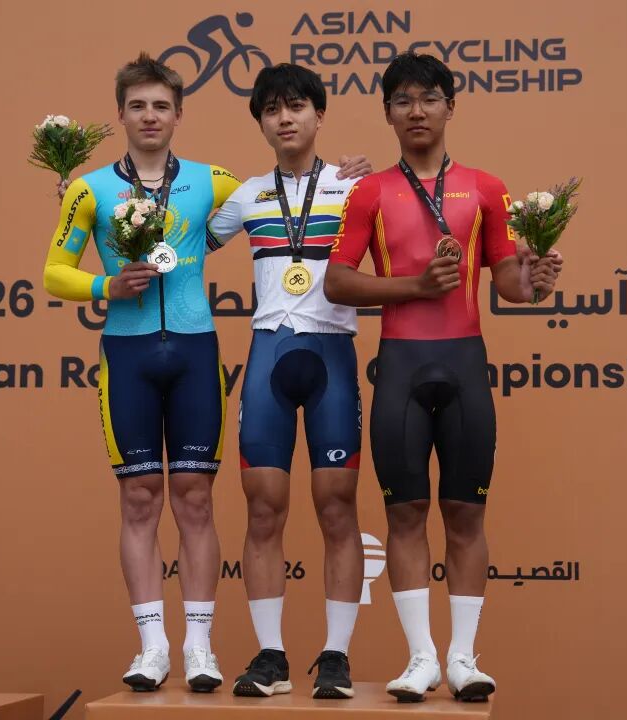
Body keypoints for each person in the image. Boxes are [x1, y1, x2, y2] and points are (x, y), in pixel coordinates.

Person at [324, 52, 563, 703]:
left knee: (466, 511)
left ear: (450, 107)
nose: (417, 111)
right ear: (388, 113)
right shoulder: (371, 192)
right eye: (403, 100)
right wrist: (414, 285)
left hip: (464, 365)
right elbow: (337, 280)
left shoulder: (486, 188)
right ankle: (421, 658)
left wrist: (535, 280)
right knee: (404, 513)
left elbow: (509, 283)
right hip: (401, 366)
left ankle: (462, 658)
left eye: (429, 98)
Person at [43, 53, 241, 694]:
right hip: (127, 354)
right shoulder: (90, 189)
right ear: (121, 115)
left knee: (195, 498)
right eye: (137, 106)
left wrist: (339, 177)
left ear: (179, 114)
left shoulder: (211, 180)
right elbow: (54, 272)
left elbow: (275, 198)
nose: (149, 116)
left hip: (193, 350)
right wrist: (107, 284)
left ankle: (199, 648)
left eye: (161, 106)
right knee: (138, 498)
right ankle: (152, 648)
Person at [207, 64, 369, 700]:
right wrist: (118, 224)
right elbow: (180, 246)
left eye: (297, 106)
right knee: (263, 508)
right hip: (269, 354)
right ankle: (271, 656)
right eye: (272, 110)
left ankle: (336, 657)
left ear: (319, 115)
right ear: (261, 123)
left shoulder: (354, 187)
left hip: (331, 354)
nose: (285, 118)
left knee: (337, 507)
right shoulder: (247, 195)